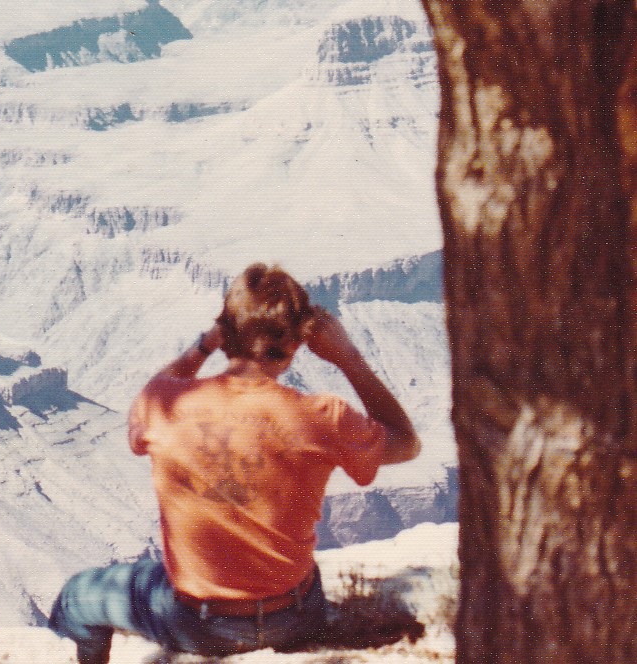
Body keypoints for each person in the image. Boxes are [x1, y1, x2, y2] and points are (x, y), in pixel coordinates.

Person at [49, 263, 420, 662]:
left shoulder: (165, 403)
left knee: (77, 595)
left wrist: (203, 346)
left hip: (195, 624)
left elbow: (146, 406)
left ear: (225, 333)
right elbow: (407, 443)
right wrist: (348, 357)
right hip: (295, 615)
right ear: (298, 343)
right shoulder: (322, 417)